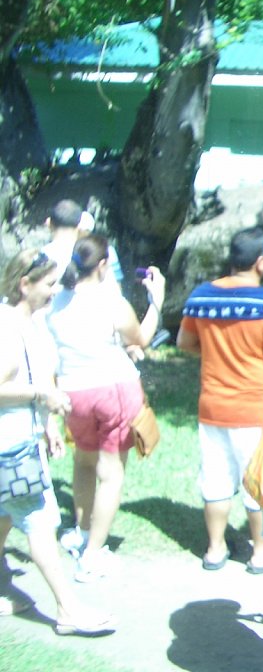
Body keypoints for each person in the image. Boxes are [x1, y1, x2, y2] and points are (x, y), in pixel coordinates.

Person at [0, 249, 115, 636]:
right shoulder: (5, 327)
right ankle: (68, 609)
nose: (54, 291)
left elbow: (38, 376)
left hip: (21, 440)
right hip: (10, 448)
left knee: (4, 515)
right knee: (40, 523)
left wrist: (47, 424)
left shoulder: (31, 322)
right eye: (48, 284)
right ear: (24, 284)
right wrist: (41, 396)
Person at [177, 227, 263, 573]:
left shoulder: (202, 298)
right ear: (261, 261)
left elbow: (184, 343)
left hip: (212, 406)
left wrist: (216, 351)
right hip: (254, 408)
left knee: (215, 480)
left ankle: (215, 550)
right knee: (255, 482)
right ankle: (262, 552)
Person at [44, 235, 166, 581]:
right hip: (113, 389)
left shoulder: (55, 301)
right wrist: (156, 302)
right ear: (102, 265)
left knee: (83, 462)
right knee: (111, 474)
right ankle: (93, 555)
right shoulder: (112, 302)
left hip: (72, 393)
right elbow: (140, 338)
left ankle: (82, 533)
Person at [41, 200, 123, 294]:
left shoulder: (41, 257)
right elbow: (117, 294)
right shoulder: (102, 252)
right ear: (79, 224)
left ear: (49, 223)